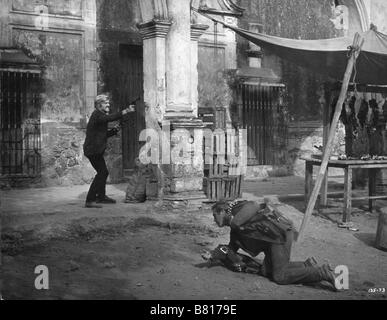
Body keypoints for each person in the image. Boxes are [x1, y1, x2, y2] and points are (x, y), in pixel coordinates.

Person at [207, 200, 338, 290]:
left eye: (214, 216)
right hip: (272, 240)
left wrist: (235, 222)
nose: (214, 220)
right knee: (265, 271)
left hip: (278, 236)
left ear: (222, 211)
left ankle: (323, 273)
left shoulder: (237, 208)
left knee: (280, 276)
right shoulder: (234, 231)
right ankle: (306, 265)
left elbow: (254, 205)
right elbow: (231, 249)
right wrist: (214, 254)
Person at [83, 93, 135, 208]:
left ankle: (101, 197)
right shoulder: (97, 114)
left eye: (108, 103)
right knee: (102, 173)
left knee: (103, 172)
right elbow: (109, 117)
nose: (108, 105)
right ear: (99, 105)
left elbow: (103, 134)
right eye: (105, 103)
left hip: (94, 150)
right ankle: (90, 200)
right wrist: (125, 111)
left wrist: (114, 130)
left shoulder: (99, 116)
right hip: (93, 150)